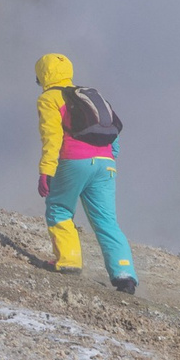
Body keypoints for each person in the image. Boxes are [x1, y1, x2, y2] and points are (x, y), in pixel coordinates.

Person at [36, 52, 137, 294]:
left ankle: (69, 261)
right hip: (106, 163)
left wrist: (46, 170)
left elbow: (52, 138)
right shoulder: (89, 95)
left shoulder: (50, 98)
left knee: (59, 207)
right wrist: (109, 159)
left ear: (43, 75)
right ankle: (125, 274)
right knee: (107, 221)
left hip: (73, 161)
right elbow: (113, 132)